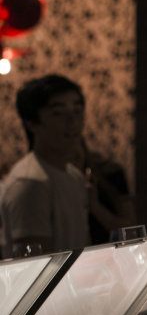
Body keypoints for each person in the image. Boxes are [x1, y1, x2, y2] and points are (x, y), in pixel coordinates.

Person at [1, 74, 90, 257]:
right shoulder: (30, 182)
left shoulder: (74, 176)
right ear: (32, 123)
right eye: (58, 112)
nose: (73, 120)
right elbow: (36, 264)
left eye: (77, 110)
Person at [71, 138, 137, 244]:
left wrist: (95, 206)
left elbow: (131, 232)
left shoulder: (112, 174)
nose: (70, 151)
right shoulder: (55, 186)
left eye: (72, 140)